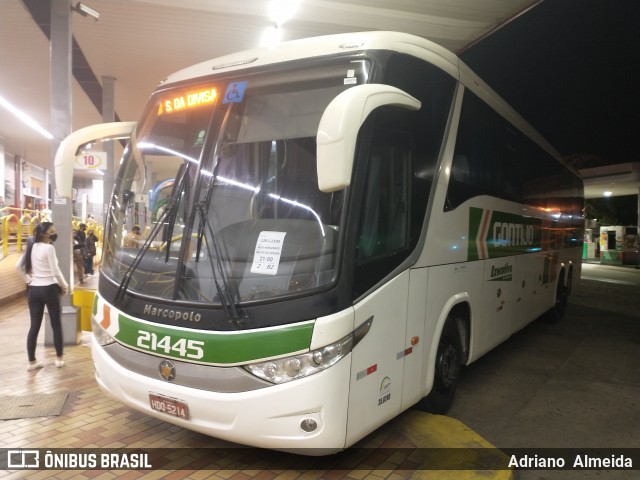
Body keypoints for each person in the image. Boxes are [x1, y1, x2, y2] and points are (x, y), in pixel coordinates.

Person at [15, 222, 69, 370]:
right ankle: (59, 359)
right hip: (49, 289)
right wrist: (64, 286)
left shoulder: (32, 246)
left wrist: (29, 280)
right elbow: (55, 271)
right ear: (45, 234)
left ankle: (32, 362)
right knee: (56, 324)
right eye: (52, 231)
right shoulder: (49, 248)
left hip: (34, 291)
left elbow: (18, 266)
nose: (54, 234)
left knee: (34, 326)